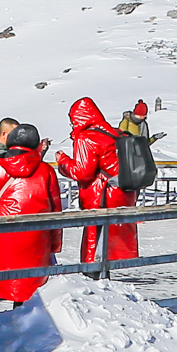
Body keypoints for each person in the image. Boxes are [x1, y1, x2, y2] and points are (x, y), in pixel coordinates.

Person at [0, 123, 61, 319]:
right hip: (36, 238)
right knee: (26, 284)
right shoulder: (46, 171)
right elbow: (55, 210)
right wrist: (54, 244)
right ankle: (19, 322)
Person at [53, 97, 136, 266]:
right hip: (121, 191)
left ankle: (94, 270)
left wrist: (63, 161)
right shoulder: (114, 133)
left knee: (95, 239)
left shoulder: (87, 137)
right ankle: (114, 268)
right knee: (115, 239)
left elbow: (82, 172)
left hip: (101, 195)